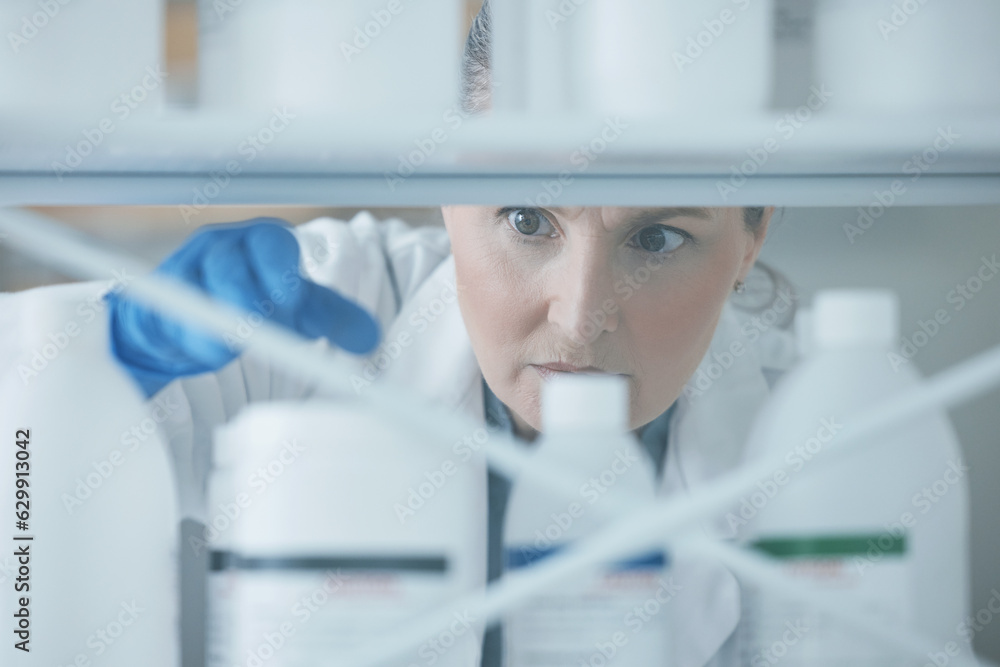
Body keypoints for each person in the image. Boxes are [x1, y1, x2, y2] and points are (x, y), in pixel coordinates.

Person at [8, 4, 798, 666]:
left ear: (751, 238)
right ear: (445, 191)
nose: (580, 313)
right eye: (526, 220)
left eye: (657, 239)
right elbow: (21, 490)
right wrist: (105, 359)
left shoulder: (821, 430)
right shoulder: (305, 318)